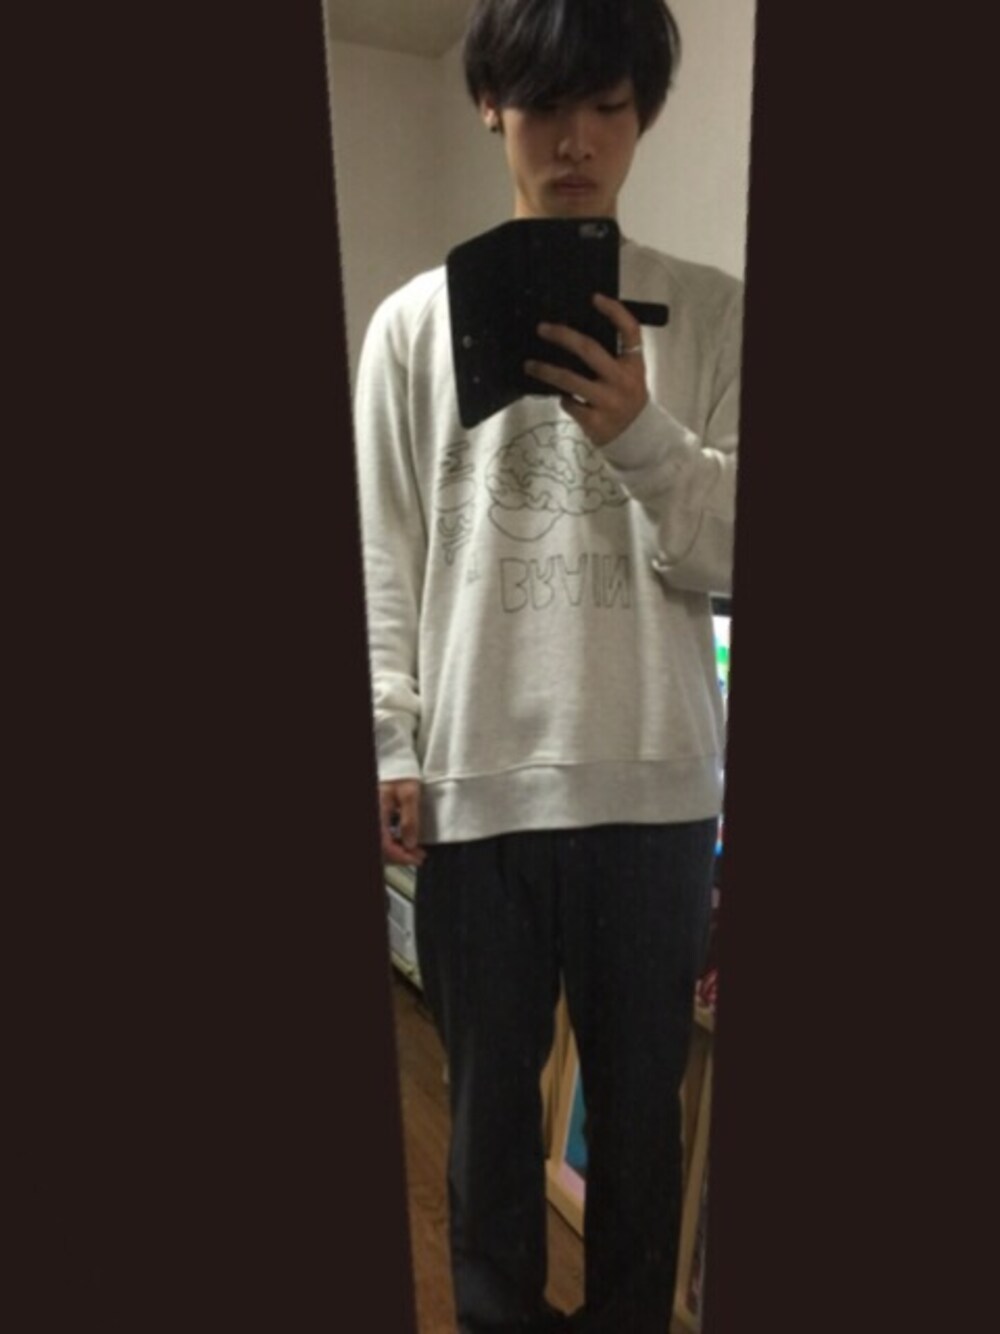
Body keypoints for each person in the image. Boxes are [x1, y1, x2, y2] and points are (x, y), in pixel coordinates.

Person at [353, 2, 742, 1330]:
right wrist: (390, 737)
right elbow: (386, 552)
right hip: (478, 792)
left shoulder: (713, 314)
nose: (577, 141)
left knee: (639, 1135)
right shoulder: (410, 328)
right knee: (485, 1133)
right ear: (491, 105)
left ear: (643, 113)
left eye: (610, 106)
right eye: (546, 106)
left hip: (656, 792)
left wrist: (642, 433)